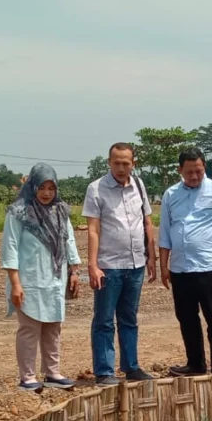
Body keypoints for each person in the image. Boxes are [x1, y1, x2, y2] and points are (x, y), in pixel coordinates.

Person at [1, 163, 81, 393]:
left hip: (55, 279)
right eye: (42, 187)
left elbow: (69, 241)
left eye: (51, 188)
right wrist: (15, 283)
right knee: (29, 328)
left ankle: (52, 373)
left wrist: (74, 272)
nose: (46, 193)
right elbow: (11, 247)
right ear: (32, 187)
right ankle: (27, 377)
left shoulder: (61, 211)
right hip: (29, 280)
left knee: (53, 327)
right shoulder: (18, 212)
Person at [82, 143, 157, 387]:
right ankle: (104, 371)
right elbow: (93, 230)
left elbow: (147, 223)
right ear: (109, 162)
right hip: (109, 265)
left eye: (126, 163)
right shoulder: (96, 189)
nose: (122, 167)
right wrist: (92, 265)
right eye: (117, 163)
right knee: (104, 320)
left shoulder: (139, 185)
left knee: (129, 318)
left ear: (133, 163)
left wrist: (152, 257)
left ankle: (131, 366)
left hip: (136, 264)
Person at [159, 148, 212, 376]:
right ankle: (195, 364)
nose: (194, 176)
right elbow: (165, 233)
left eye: (199, 171)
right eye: (189, 172)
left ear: (204, 168)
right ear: (180, 170)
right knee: (186, 318)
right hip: (180, 269)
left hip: (208, 267)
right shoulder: (170, 195)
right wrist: (164, 267)